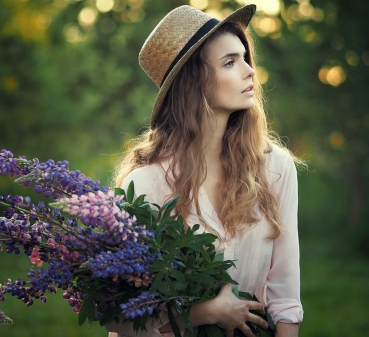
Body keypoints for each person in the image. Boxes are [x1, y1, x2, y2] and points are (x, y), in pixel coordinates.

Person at [105, 4, 304, 337]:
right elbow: (123, 320)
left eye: (244, 58)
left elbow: (285, 297)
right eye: (230, 62)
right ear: (194, 82)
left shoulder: (275, 167)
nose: (249, 71)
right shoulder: (147, 183)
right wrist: (207, 312)